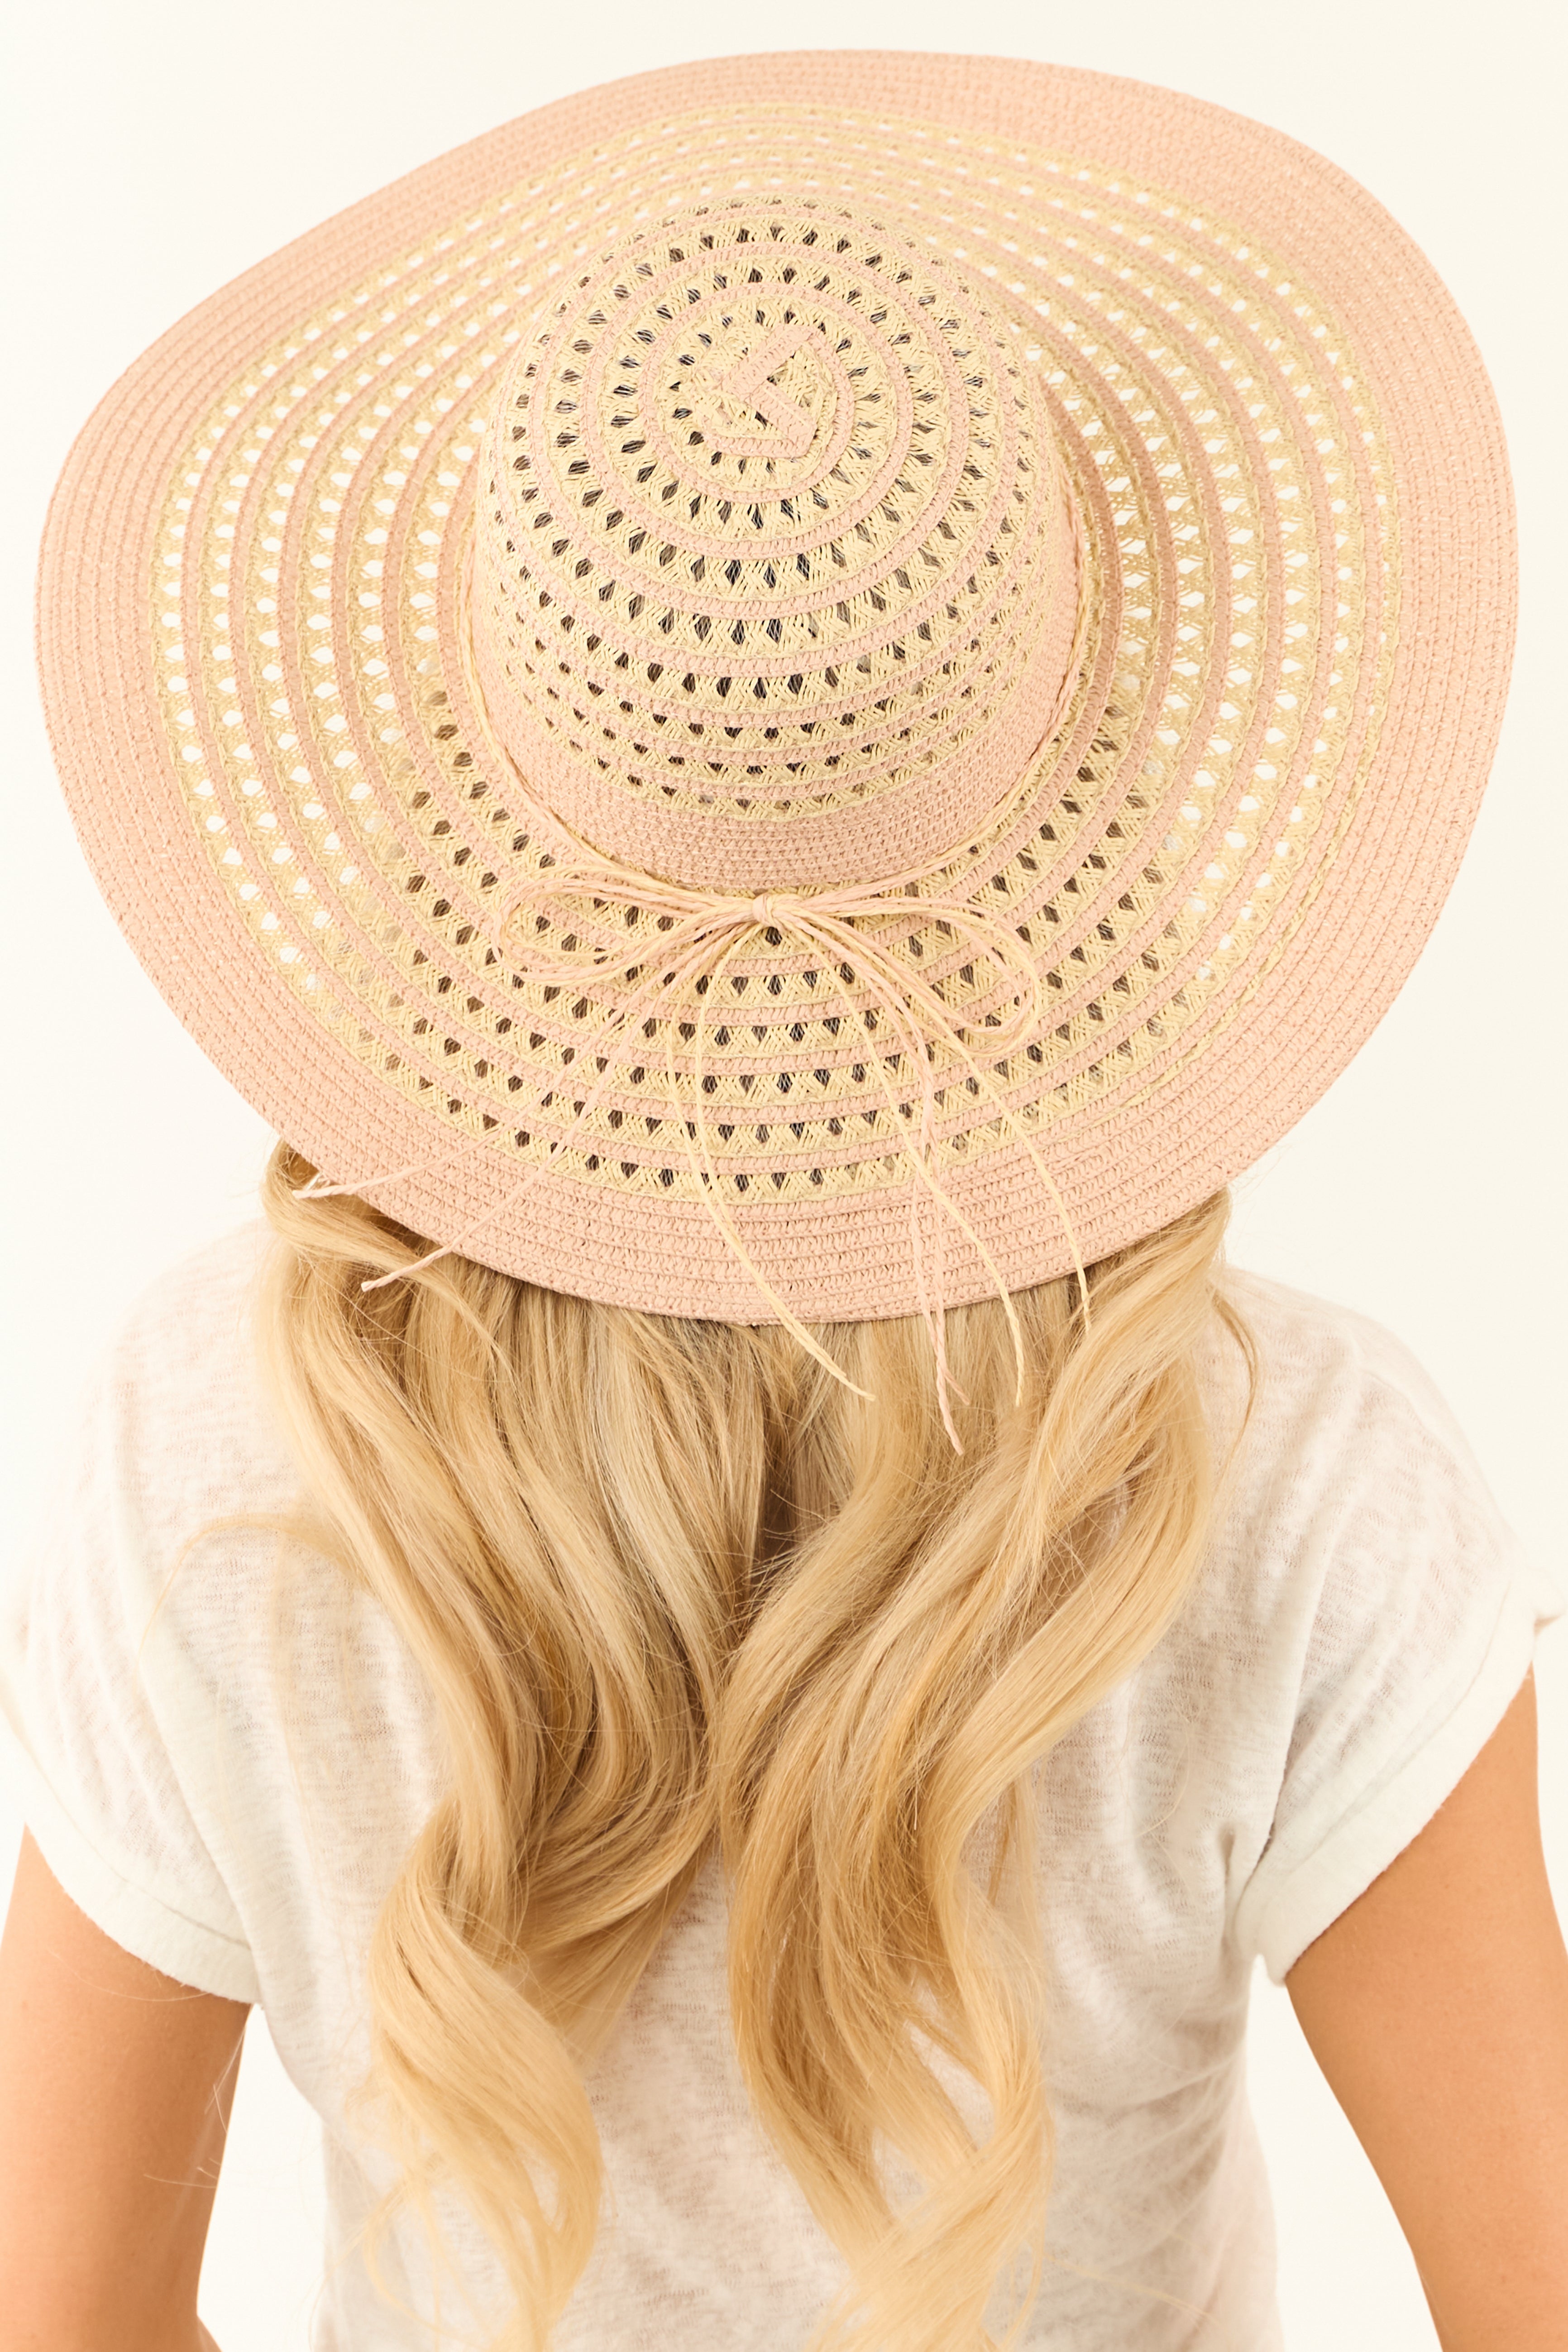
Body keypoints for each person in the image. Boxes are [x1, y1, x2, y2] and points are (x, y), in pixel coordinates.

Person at [1, 44, 1564, 2352]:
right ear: (1095, 779)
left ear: (457, 774)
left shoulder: (218, 1453)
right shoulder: (1286, 1484)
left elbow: (71, 2313)